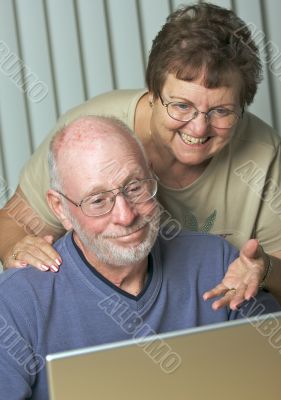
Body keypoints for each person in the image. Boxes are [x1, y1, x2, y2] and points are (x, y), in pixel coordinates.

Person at [0, 2, 281, 311]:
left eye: (221, 111)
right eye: (181, 106)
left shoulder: (263, 153)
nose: (199, 127)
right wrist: (16, 247)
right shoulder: (89, 136)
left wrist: (264, 268)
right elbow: (11, 223)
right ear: (152, 92)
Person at [0, 115, 279, 399]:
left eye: (134, 187)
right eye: (98, 201)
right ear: (60, 209)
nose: (126, 215)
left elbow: (271, 378)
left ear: (151, 175)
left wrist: (267, 269)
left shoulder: (217, 263)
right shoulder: (15, 303)